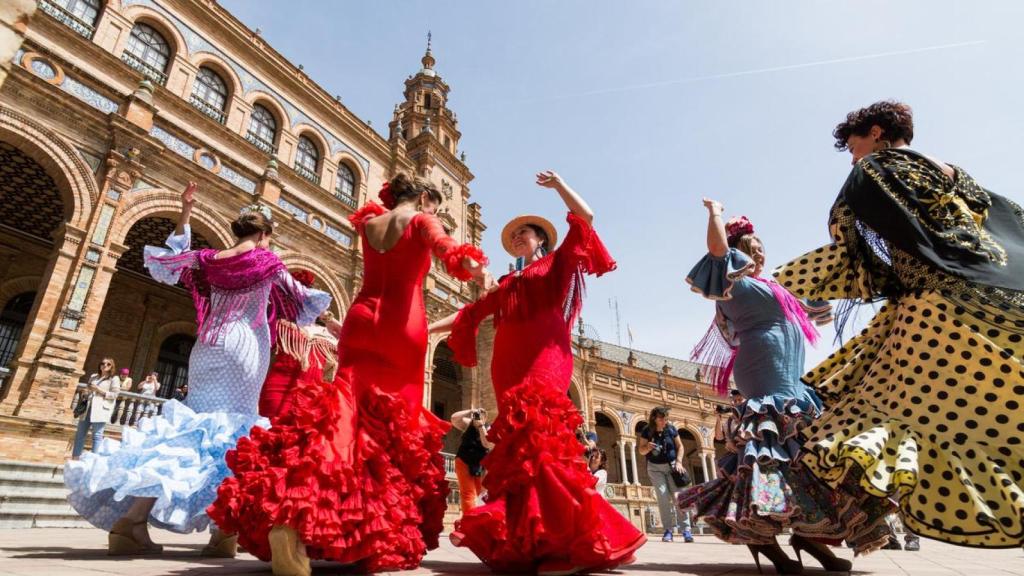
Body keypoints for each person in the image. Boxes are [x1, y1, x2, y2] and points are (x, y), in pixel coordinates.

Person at [208, 173, 491, 576]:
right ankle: (364, 527)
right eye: (435, 206)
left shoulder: (370, 223)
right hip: (401, 326)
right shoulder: (423, 220)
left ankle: (292, 517)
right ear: (426, 198)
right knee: (391, 429)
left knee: (342, 416)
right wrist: (473, 266)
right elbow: (451, 253)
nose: (437, 213)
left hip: (361, 319)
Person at [775, 100, 1024, 549]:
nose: (853, 157)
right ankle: (835, 524)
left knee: (874, 420)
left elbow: (849, 240)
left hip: (932, 311)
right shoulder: (955, 175)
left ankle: (827, 523)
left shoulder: (875, 171)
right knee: (981, 409)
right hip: (997, 299)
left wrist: (800, 284)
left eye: (854, 146)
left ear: (875, 132)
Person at [63, 182, 331, 557]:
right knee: (234, 434)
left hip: (206, 347)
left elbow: (172, 259)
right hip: (244, 348)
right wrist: (332, 324)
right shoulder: (267, 261)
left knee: (191, 430)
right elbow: (301, 299)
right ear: (265, 234)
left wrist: (186, 211)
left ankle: (133, 521)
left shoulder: (209, 260)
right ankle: (222, 532)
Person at [432, 170, 644, 575]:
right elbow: (470, 314)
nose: (517, 239)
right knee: (520, 453)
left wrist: (560, 185)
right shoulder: (508, 281)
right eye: (514, 236)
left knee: (542, 439)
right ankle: (541, 537)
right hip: (507, 367)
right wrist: (426, 327)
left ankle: (565, 541)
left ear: (540, 240)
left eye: (524, 234)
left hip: (545, 359)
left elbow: (587, 219)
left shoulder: (555, 265)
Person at [678, 200, 893, 574]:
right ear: (738, 254)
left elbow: (821, 300)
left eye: (762, 250)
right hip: (763, 375)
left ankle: (811, 535)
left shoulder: (778, 287)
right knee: (772, 455)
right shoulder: (735, 283)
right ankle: (765, 538)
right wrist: (714, 214)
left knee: (807, 456)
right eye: (752, 250)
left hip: (792, 378)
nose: (760, 255)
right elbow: (716, 250)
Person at [257, 269, 341, 420]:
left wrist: (327, 317)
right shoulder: (281, 324)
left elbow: (349, 339)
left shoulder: (326, 334)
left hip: (311, 403)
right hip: (276, 392)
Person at [638, 407, 693, 543]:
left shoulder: (671, 429)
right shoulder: (647, 430)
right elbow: (641, 451)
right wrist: (648, 447)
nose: (664, 421)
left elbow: (680, 447)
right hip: (655, 468)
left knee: (678, 497)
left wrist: (679, 462)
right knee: (662, 497)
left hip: (672, 467)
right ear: (654, 419)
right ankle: (668, 530)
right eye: (661, 419)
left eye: (666, 418)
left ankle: (686, 530)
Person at [70, 358, 121, 459]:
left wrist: (98, 389)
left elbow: (115, 395)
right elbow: (88, 389)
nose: (105, 365)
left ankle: (93, 460)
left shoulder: (114, 379)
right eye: (102, 363)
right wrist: (85, 392)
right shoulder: (93, 376)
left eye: (108, 364)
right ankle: (75, 458)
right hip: (88, 408)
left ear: (112, 366)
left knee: (97, 435)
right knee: (80, 434)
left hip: (101, 409)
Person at [450, 408, 495, 514]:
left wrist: (480, 426)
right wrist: (470, 411)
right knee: (468, 494)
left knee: (483, 494)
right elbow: (454, 418)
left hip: (480, 465)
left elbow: (487, 444)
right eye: (478, 414)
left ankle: (483, 517)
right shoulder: (469, 425)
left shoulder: (487, 428)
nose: (479, 416)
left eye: (481, 415)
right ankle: (469, 520)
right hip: (464, 461)